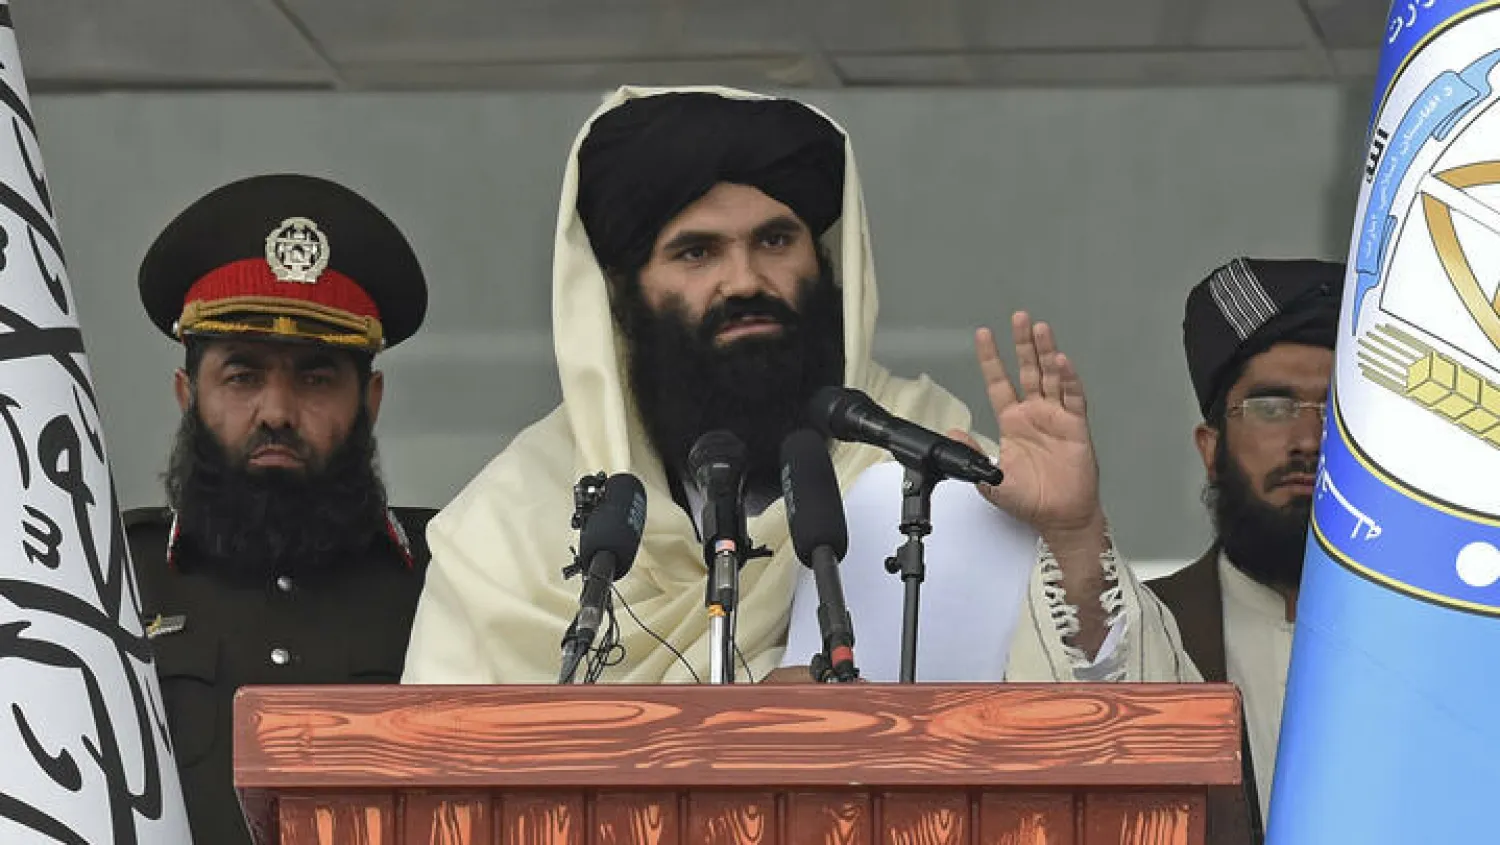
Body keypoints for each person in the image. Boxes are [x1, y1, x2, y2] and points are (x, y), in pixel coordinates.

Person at [403, 86, 1196, 685]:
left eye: (775, 240)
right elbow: (424, 787)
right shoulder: (511, 527)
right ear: (624, 293)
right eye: (696, 252)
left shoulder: (927, 460)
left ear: (822, 261)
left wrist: (1075, 535)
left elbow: (1124, 721)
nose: (744, 280)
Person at [130, 173, 434, 845]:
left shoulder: (454, 577)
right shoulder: (113, 583)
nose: (276, 411)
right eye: (242, 375)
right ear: (187, 394)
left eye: (315, 375)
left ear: (372, 399)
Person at [1151, 256, 1343, 828]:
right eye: (1271, 407)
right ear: (1212, 449)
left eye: (1338, 408)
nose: (1308, 440)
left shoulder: (1451, 638)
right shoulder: (1147, 631)